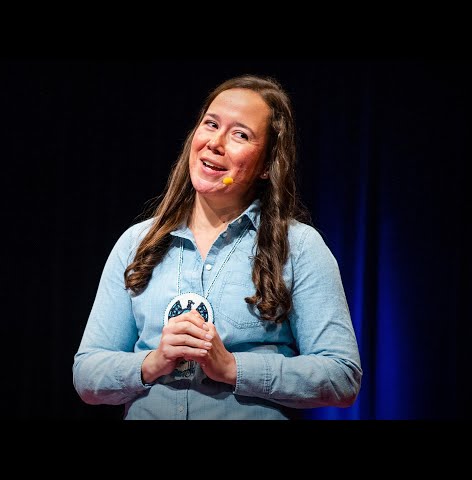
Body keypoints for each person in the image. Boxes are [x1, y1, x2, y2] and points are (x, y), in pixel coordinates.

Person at [72, 74, 362, 420]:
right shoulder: (137, 243)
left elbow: (342, 375)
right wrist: (153, 362)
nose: (215, 143)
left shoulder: (298, 247)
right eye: (211, 124)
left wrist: (232, 368)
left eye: (240, 135)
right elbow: (87, 375)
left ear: (267, 165)